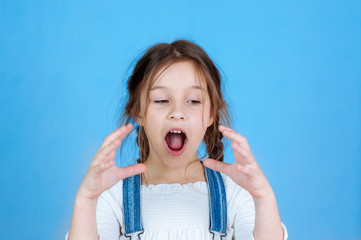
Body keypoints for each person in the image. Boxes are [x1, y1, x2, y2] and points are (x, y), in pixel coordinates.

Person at [65, 39, 288, 240]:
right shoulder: (113, 199)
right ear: (138, 112)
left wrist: (263, 196)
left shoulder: (235, 195)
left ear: (211, 114)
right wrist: (86, 199)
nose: (177, 112)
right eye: (161, 100)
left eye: (193, 101)